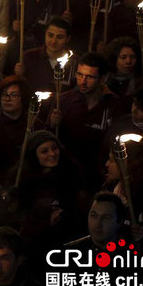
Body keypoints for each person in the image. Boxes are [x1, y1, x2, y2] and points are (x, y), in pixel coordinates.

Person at [49, 52, 122, 190]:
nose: (82, 81)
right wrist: (53, 124)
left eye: (89, 77)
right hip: (67, 174)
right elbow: (50, 137)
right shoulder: (63, 100)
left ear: (102, 78)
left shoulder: (113, 104)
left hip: (98, 175)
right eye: (79, 75)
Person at [0, 76, 45, 179]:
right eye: (4, 95)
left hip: (27, 179)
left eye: (14, 95)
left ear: (23, 97)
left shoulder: (34, 124)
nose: (7, 99)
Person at [15, 16, 78, 93]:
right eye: (50, 35)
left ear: (68, 39)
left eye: (60, 37)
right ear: (45, 34)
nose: (53, 41)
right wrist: (18, 74)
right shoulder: (29, 57)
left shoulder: (75, 62)